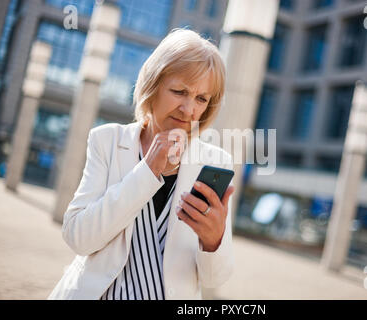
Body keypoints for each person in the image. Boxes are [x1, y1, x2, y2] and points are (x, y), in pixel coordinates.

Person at [48, 28, 235, 300]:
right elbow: (78, 238)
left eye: (201, 98)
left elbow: (214, 279)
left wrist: (213, 241)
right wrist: (147, 172)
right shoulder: (107, 141)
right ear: (153, 84)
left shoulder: (216, 162)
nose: (189, 109)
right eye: (179, 91)